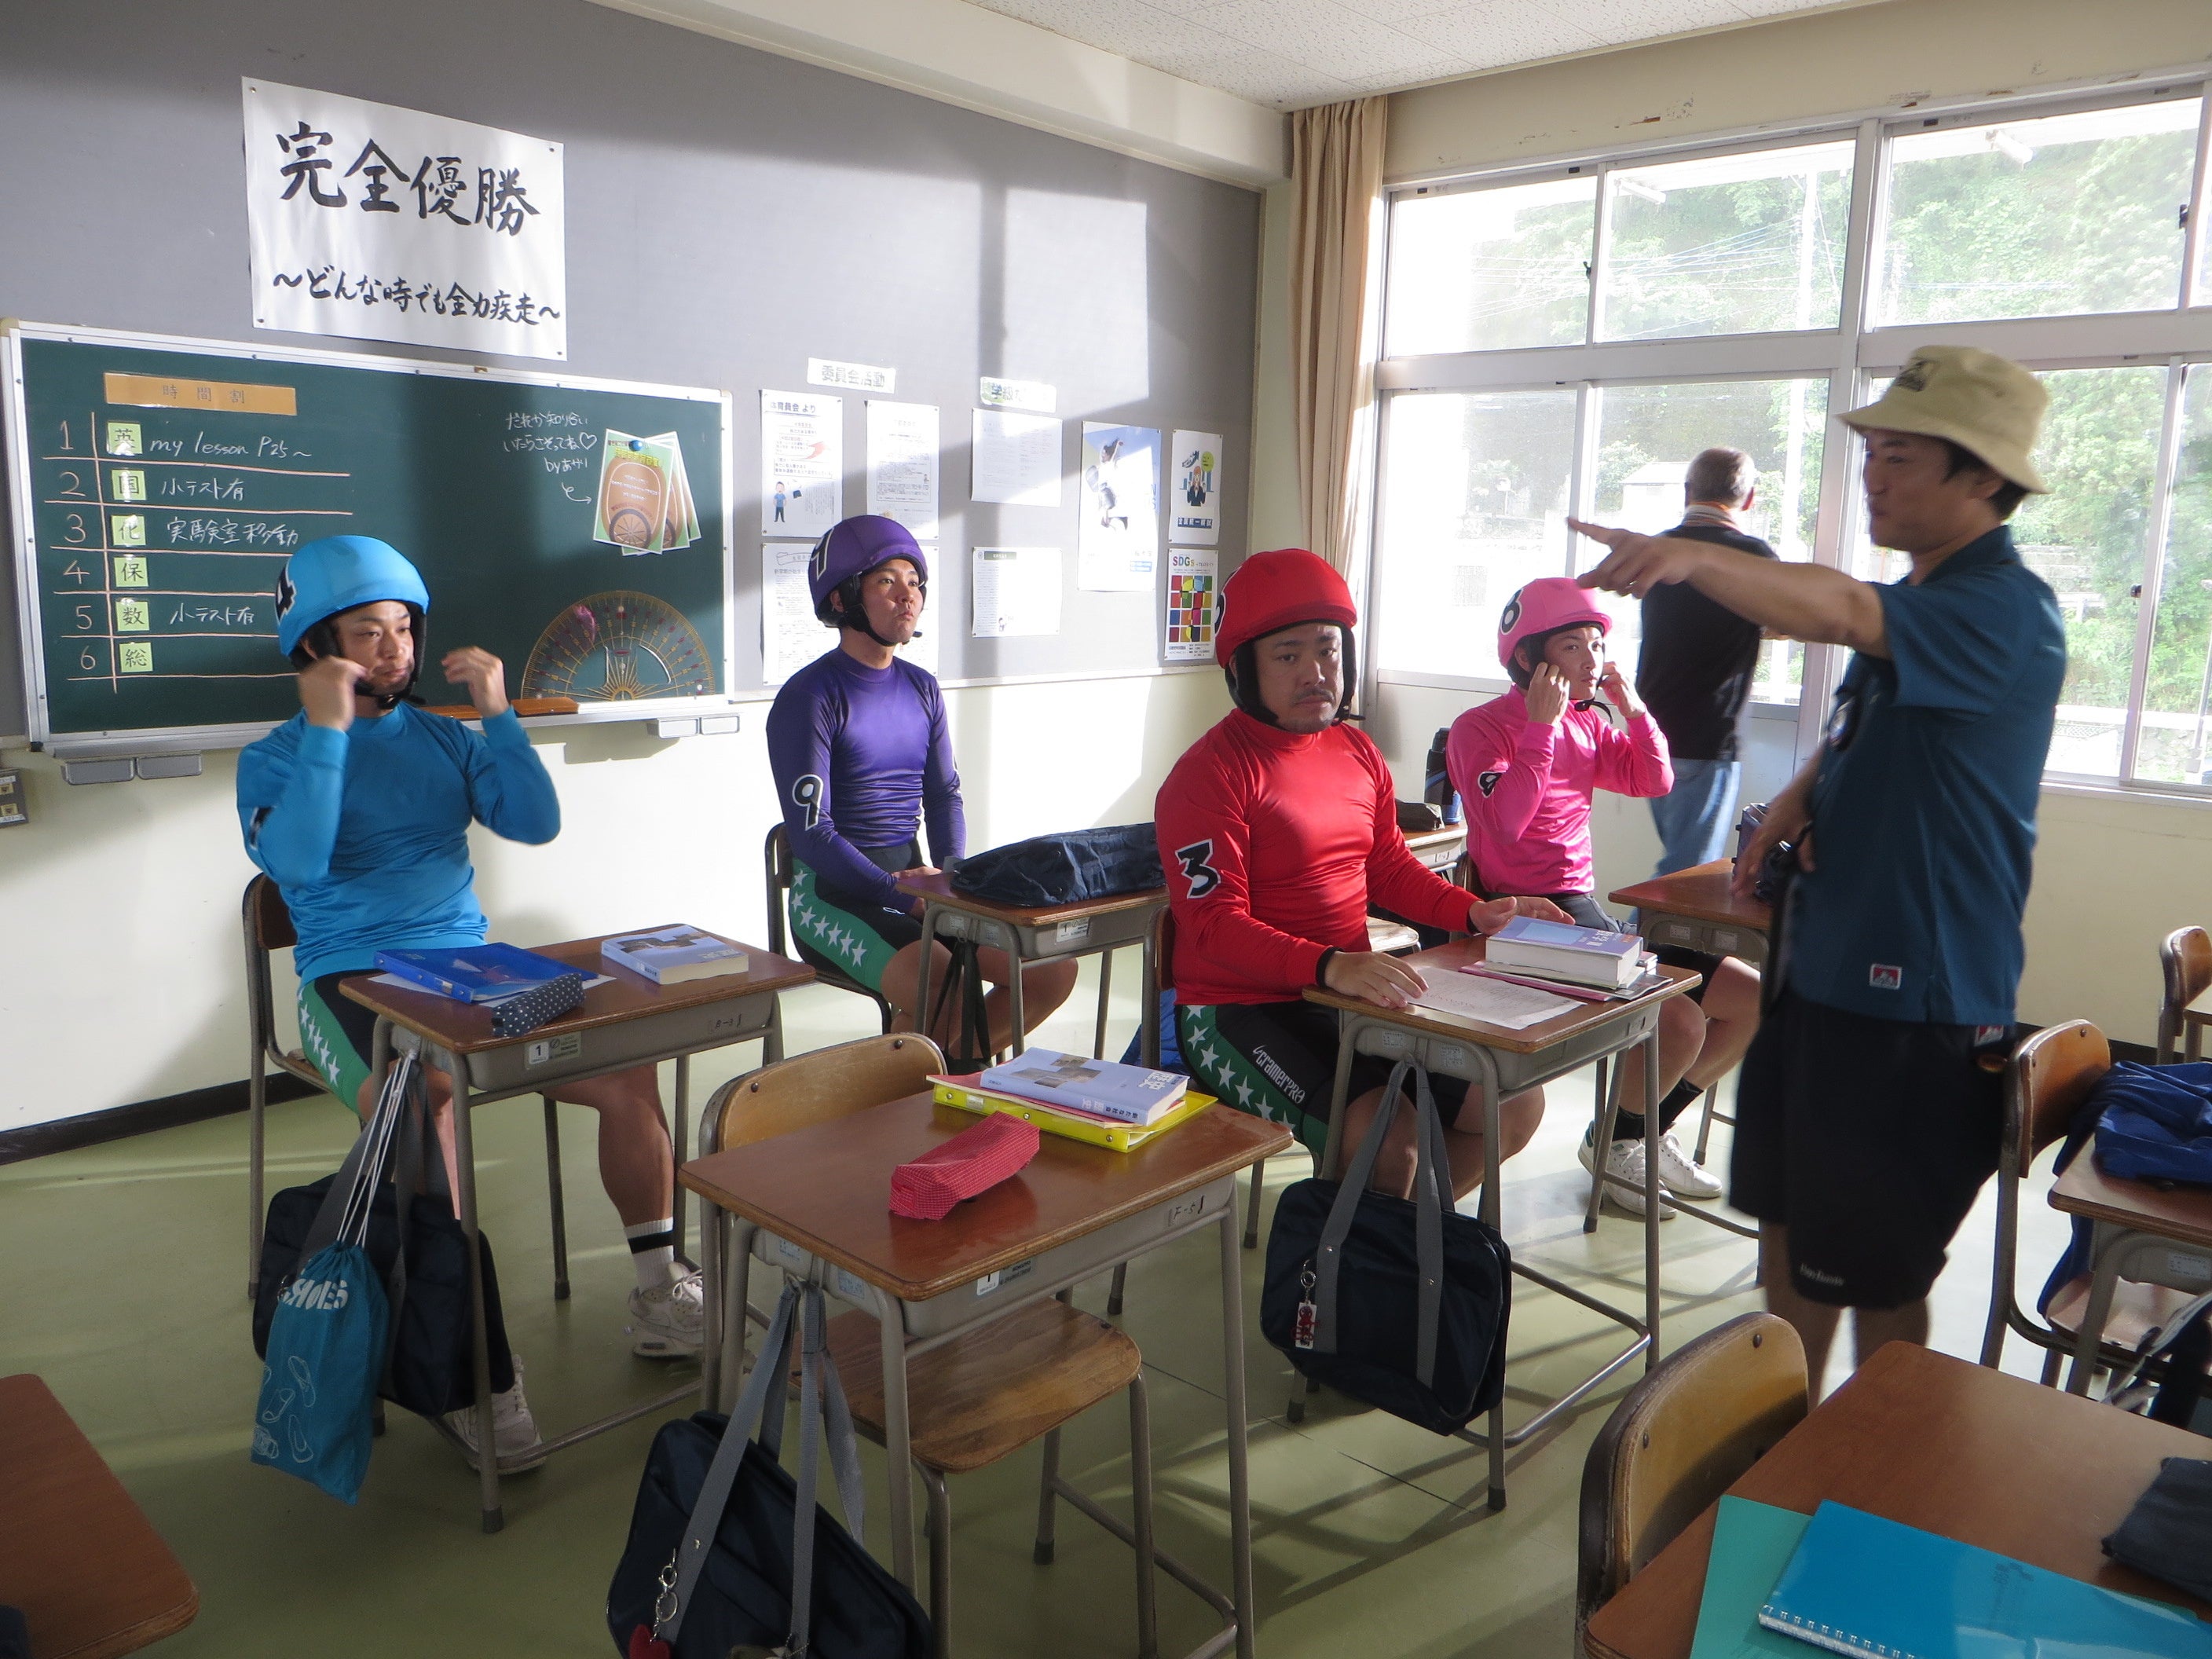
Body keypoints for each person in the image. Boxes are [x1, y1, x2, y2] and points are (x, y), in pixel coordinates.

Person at [1570, 345, 2064, 1390]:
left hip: (1907, 1003)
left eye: (1899, 457)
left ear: (1983, 476)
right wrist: (1797, 800)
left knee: (1877, 1278)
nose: (1872, 476)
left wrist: (1687, 555)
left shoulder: (2000, 608)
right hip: (1822, 975)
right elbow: (1865, 725)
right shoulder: (1922, 601)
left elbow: (1834, 608)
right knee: (1790, 1241)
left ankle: (1879, 1468)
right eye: (1869, 453)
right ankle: (1789, 1447)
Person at [237, 536, 703, 1470]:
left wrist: (498, 716)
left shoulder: (445, 737)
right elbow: (298, 864)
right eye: (367, 632)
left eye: (403, 629)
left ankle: (660, 1289)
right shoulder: (274, 757)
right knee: (419, 1104)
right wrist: (327, 732)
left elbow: (534, 822)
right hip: (348, 978)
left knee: (627, 1066)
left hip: (469, 965)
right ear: (314, 646)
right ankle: (469, 1372)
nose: (394, 649)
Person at [1155, 548, 1569, 1199]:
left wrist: (1473, 912)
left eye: (1327, 650)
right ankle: (1364, 1245)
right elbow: (1211, 925)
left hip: (1345, 992)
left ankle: (1397, 1240)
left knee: (1512, 1103)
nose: (1315, 672)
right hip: (1236, 1011)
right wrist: (1328, 965)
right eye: (1287, 656)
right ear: (1243, 671)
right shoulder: (1208, 775)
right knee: (1387, 1138)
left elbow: (1388, 868)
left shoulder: (1356, 749)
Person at [1448, 578, 1761, 1217]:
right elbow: (1505, 823)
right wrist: (1541, 728)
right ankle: (1620, 1143)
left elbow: (1654, 778)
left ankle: (1638, 1131)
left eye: (1597, 645)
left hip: (1581, 911)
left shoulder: (1588, 723)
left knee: (1754, 999)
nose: (1591, 660)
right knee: (1680, 1021)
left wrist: (1636, 710)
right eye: (1572, 646)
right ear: (1529, 658)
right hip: (1521, 916)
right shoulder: (1479, 728)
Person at [767, 515, 1075, 1053]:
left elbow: (943, 795)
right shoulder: (809, 696)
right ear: (843, 598)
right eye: (886, 581)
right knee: (941, 982)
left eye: (914, 582)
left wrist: (954, 878)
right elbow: (812, 836)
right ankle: (919, 1089)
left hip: (916, 884)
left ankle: (942, 1074)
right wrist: (901, 896)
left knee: (1053, 971)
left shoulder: (922, 688)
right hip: (832, 896)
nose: (907, 596)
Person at [1635, 448, 1778, 876]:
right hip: (1705, 737)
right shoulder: (1752, 556)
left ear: (1688, 492)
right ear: (1748, 499)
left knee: (1678, 863)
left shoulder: (1658, 550)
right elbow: (1784, 620)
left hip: (1650, 732)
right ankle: (1631, 924)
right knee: (1686, 877)